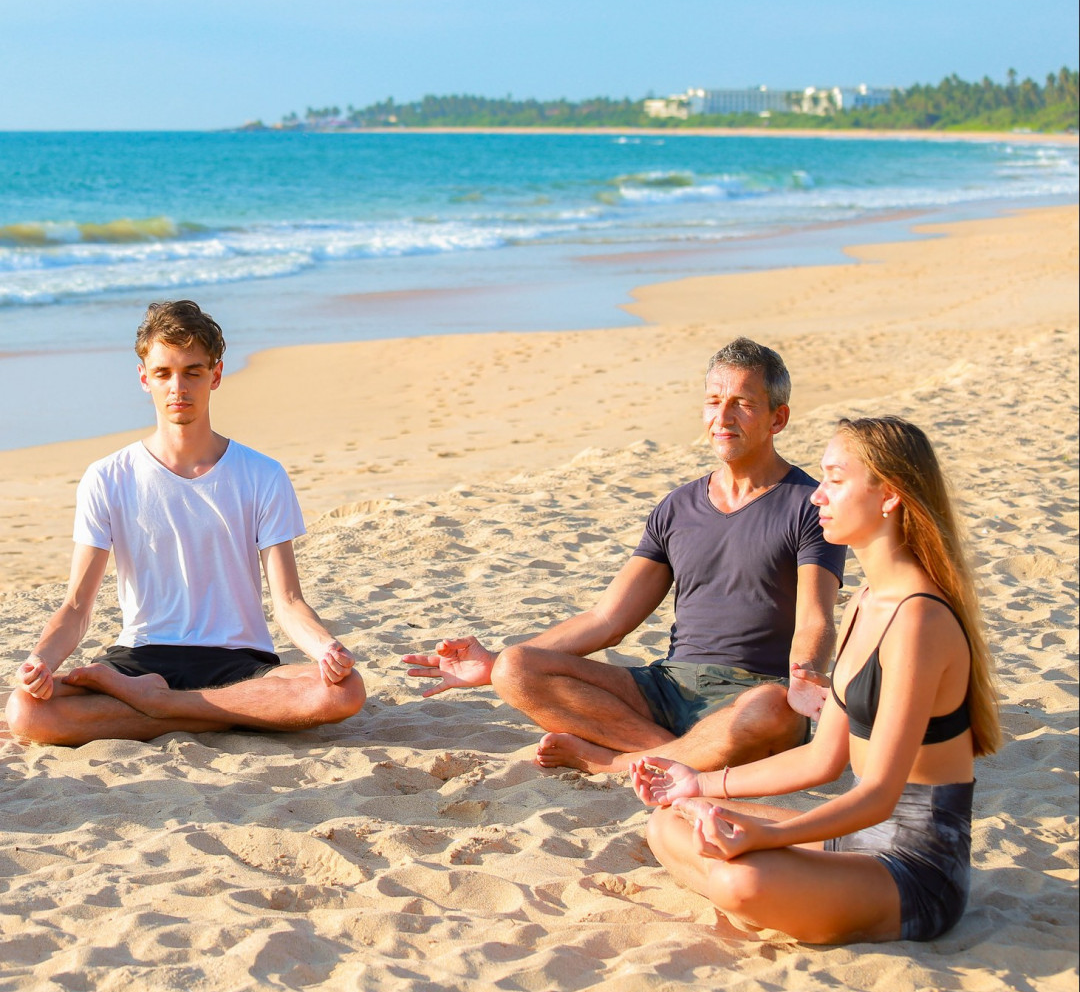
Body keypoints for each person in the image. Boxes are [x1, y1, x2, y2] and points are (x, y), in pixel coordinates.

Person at [632, 416, 1001, 944]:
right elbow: (821, 760)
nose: (816, 495)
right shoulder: (866, 603)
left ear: (889, 495)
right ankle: (785, 897)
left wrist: (767, 836)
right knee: (670, 820)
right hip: (858, 837)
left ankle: (768, 897)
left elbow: (878, 795)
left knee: (742, 880)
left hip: (917, 870)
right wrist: (698, 783)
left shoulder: (919, 619)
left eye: (835, 479)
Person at [403, 338, 847, 774]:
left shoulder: (810, 504)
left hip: (752, 693)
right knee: (516, 667)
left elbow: (816, 619)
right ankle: (675, 757)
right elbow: (607, 620)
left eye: (742, 404)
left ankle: (617, 762)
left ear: (778, 418)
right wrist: (495, 664)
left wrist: (805, 674)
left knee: (772, 708)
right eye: (713, 401)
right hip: (667, 687)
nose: (723, 417)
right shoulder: (678, 507)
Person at [5, 300, 366, 746]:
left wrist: (326, 648)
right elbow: (77, 607)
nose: (178, 387)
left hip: (239, 660)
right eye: (163, 373)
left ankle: (161, 706)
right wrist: (40, 662)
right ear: (144, 378)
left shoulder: (262, 474)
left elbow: (289, 602)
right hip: (141, 658)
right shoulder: (108, 477)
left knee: (345, 690)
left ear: (216, 375)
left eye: (193, 372)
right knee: (25, 709)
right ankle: (219, 713)